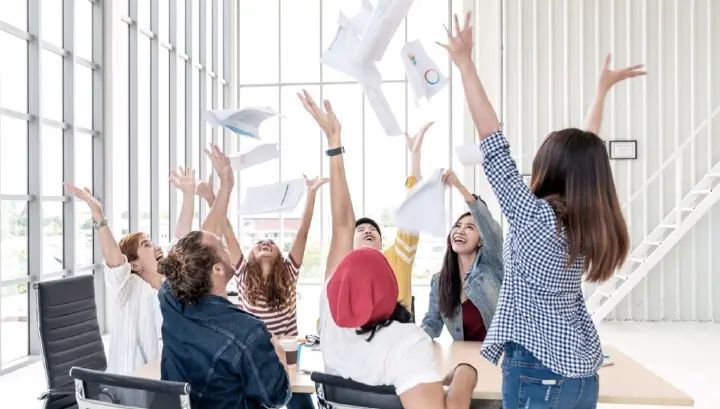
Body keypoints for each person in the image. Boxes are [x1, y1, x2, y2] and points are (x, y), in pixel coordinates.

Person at [441, 12, 644, 408]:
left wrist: (465, 64)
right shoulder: (587, 225)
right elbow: (587, 159)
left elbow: (492, 142)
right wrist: (600, 93)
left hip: (537, 373)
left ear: (548, 168)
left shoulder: (534, 218)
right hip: (582, 378)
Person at [298, 89, 477, 409]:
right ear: (390, 290)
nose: (364, 232)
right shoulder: (408, 343)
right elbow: (344, 226)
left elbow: (342, 224)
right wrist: (465, 374)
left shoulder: (329, 315)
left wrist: (334, 142)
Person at [159, 145, 291, 409]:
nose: (225, 243)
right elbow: (276, 396)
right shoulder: (248, 332)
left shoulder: (172, 300)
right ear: (217, 270)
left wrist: (226, 187)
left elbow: (197, 248)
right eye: (221, 244)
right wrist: (276, 349)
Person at [63, 167, 196, 376]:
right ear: (134, 265)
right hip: (132, 389)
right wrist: (98, 216)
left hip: (168, 380)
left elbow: (182, 239)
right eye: (146, 245)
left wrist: (189, 194)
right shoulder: (127, 289)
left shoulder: (171, 281)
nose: (157, 247)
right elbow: (115, 262)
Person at [353, 122, 433, 313]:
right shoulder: (344, 267)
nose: (368, 230)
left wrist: (415, 157)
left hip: (397, 336)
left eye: (373, 229)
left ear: (381, 243)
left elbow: (411, 212)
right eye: (361, 229)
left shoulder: (397, 256)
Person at [420, 169, 503, 342]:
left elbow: (490, 228)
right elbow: (432, 323)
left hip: (503, 358)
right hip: (464, 358)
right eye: (457, 226)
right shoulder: (438, 281)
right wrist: (415, 339)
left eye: (470, 227)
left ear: (481, 241)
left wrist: (458, 186)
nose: (460, 231)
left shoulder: (492, 267)